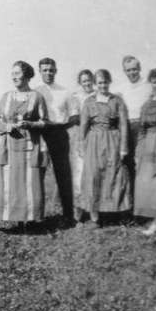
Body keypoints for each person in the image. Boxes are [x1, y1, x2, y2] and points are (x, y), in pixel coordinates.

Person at [0, 61, 49, 233]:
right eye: (12, 73)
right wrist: (6, 127)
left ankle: (26, 221)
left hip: (28, 147)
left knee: (25, 183)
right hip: (6, 147)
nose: (14, 77)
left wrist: (31, 124)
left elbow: (45, 122)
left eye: (17, 73)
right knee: (0, 183)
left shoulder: (37, 97)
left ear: (27, 75)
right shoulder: (6, 97)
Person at [80, 69, 131, 228]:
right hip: (94, 140)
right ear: (95, 84)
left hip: (112, 140)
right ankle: (94, 217)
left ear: (109, 82)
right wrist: (82, 146)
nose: (103, 85)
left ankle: (113, 213)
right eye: (99, 82)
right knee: (94, 176)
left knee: (113, 175)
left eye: (105, 82)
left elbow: (123, 125)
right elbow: (83, 126)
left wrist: (123, 148)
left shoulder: (117, 101)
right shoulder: (88, 102)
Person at [36, 57, 74, 222]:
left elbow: (73, 114)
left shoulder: (65, 91)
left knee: (63, 175)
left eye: (51, 70)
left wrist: (63, 127)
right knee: (38, 174)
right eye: (45, 70)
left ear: (56, 71)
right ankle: (37, 215)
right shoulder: (35, 92)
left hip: (59, 133)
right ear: (40, 72)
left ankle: (68, 214)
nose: (48, 73)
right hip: (41, 133)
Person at [134, 69, 156, 234]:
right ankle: (154, 220)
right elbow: (141, 129)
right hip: (148, 143)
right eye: (155, 82)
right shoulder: (146, 104)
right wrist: (139, 149)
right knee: (147, 182)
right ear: (151, 84)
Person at [113, 55, 151, 207]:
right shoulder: (121, 89)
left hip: (143, 128)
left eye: (134, 69)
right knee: (128, 166)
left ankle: (145, 205)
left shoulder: (148, 85)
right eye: (128, 70)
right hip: (127, 128)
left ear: (140, 68)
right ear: (124, 71)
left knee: (144, 164)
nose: (132, 72)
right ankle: (132, 205)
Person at [69, 69, 95, 222]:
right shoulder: (76, 97)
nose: (87, 83)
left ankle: (94, 210)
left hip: (95, 137)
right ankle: (77, 212)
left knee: (93, 175)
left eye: (89, 80)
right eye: (84, 81)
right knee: (78, 176)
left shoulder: (98, 95)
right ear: (80, 83)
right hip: (80, 138)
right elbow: (73, 118)